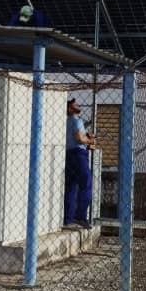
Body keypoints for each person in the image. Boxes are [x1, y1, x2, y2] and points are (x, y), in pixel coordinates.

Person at [64, 97, 95, 228]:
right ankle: (80, 215)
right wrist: (89, 140)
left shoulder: (67, 122)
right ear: (70, 109)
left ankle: (68, 218)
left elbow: (76, 138)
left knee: (71, 186)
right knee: (86, 183)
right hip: (78, 154)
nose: (78, 105)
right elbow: (79, 138)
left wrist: (86, 140)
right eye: (74, 104)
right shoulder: (76, 120)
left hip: (69, 153)